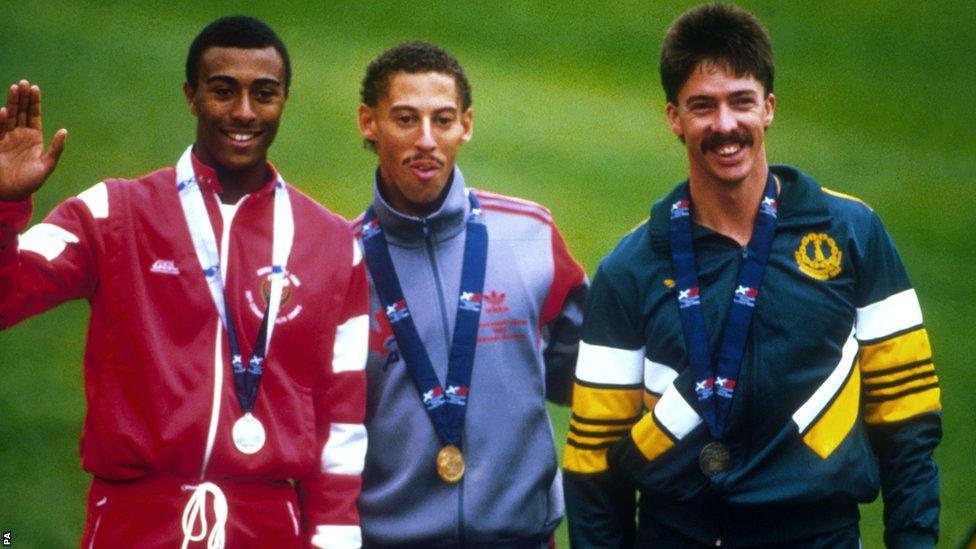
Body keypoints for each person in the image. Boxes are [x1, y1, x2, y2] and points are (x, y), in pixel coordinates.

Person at [563, 4, 941, 548]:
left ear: (768, 108)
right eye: (702, 106)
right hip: (679, 535)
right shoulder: (632, 266)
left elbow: (908, 423)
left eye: (741, 101)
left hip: (818, 536)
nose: (724, 125)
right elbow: (593, 464)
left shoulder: (852, 235)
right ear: (674, 117)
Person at [0, 16, 367, 548]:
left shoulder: (333, 244)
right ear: (191, 96)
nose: (243, 112)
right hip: (134, 521)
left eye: (263, 94)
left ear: (284, 98)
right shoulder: (114, 213)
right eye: (223, 91)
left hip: (266, 527)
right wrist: (6, 205)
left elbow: (341, 424)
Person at [352, 42, 588, 547]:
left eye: (443, 119)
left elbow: (593, 380)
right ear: (369, 123)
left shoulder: (530, 235)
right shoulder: (339, 259)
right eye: (405, 119)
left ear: (467, 124)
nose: (426, 141)